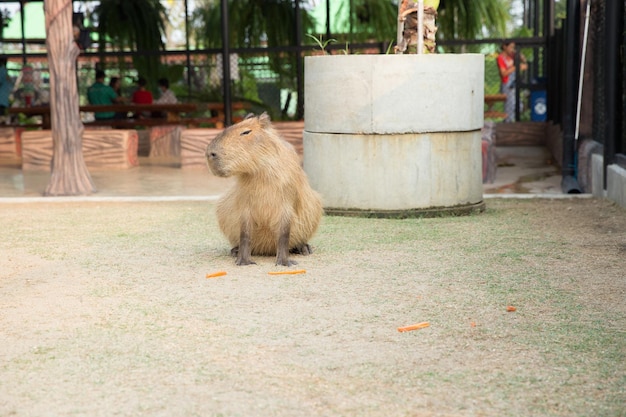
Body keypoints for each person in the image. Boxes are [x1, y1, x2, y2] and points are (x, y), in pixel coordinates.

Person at [497, 42, 527, 122]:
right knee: (509, 108)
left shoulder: (512, 56)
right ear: (504, 47)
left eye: (513, 47)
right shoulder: (500, 58)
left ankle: (511, 121)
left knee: (519, 106)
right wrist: (515, 67)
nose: (512, 50)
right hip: (507, 84)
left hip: (514, 83)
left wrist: (521, 57)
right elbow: (503, 73)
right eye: (510, 47)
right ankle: (508, 124)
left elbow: (525, 64)